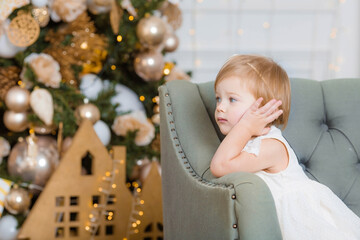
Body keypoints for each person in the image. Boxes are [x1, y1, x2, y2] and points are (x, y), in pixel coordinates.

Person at [210, 54, 360, 240]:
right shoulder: (242, 142)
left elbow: (219, 166)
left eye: (232, 99)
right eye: (218, 98)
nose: (220, 108)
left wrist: (246, 125)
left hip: (304, 225)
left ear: (265, 107)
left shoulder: (271, 146)